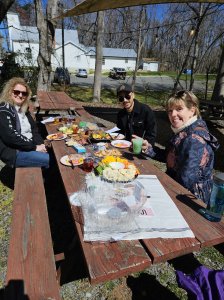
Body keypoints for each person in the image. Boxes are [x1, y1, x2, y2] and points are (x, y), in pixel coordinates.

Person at [142, 90, 219, 204]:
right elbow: (172, 157)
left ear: (192, 110)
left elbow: (184, 182)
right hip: (178, 190)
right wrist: (148, 148)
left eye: (179, 109)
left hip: (191, 200)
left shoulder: (194, 139)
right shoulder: (185, 130)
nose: (173, 114)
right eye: (170, 111)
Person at [0, 77, 49, 168]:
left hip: (28, 146)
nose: (20, 95)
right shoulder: (4, 110)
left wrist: (40, 144)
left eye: (24, 93)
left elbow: (34, 130)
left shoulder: (23, 109)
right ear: (10, 92)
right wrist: (35, 147)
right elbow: (10, 137)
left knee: (52, 152)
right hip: (15, 153)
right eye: (17, 92)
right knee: (50, 159)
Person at [116, 83, 157, 155]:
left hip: (141, 150)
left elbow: (152, 134)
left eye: (127, 96)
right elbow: (120, 131)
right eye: (121, 98)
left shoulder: (145, 110)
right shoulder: (121, 114)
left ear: (133, 95)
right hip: (126, 147)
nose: (125, 100)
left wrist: (146, 146)